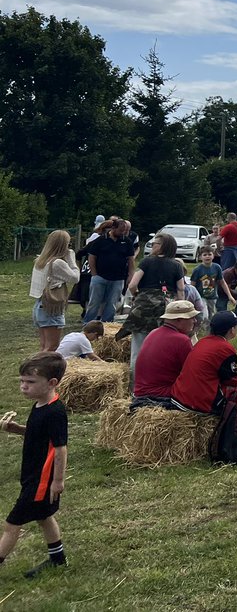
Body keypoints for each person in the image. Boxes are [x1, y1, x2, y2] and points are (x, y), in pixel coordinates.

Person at [0, 352, 69, 577]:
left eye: (30, 382)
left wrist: (57, 481)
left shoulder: (55, 412)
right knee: (43, 516)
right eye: (21, 381)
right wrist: (17, 429)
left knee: (12, 524)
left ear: (52, 383)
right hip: (33, 475)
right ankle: (58, 559)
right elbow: (39, 436)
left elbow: (60, 448)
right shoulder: (40, 405)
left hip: (42, 479)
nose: (23, 387)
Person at [170, 311, 237, 420]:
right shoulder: (226, 349)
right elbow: (234, 381)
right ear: (232, 330)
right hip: (200, 404)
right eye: (236, 326)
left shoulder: (202, 341)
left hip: (179, 398)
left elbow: (218, 371)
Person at [120, 232, 187, 375]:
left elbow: (132, 285)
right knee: (161, 347)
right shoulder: (176, 265)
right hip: (165, 310)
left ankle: (135, 385)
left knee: (138, 349)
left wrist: (137, 296)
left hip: (142, 308)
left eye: (155, 243)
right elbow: (181, 290)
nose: (152, 245)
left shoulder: (146, 262)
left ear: (162, 246)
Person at [133, 300, 198, 398]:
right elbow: (193, 373)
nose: (195, 321)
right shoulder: (182, 340)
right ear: (179, 319)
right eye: (192, 317)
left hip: (140, 393)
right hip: (161, 394)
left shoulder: (153, 332)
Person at [29, 230, 80, 353]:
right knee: (52, 347)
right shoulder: (57, 263)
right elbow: (75, 278)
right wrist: (71, 259)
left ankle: (35, 369)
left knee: (43, 346)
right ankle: (40, 371)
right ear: (63, 245)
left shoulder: (40, 260)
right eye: (68, 244)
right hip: (51, 307)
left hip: (39, 305)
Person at [84, 218, 135, 323]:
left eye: (124, 231)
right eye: (120, 230)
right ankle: (88, 324)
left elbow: (130, 259)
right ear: (113, 228)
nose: (122, 233)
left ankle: (107, 324)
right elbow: (91, 256)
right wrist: (94, 274)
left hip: (118, 278)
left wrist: (131, 275)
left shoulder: (127, 242)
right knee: (94, 302)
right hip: (100, 276)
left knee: (112, 303)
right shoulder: (100, 240)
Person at [191, 247, 232, 319]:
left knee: (212, 316)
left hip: (212, 296)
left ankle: (209, 330)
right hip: (201, 297)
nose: (207, 256)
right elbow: (192, 285)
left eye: (209, 254)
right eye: (205, 255)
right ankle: (199, 326)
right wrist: (192, 298)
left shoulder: (217, 267)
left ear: (213, 256)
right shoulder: (197, 270)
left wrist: (229, 295)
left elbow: (222, 282)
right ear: (200, 257)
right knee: (204, 316)